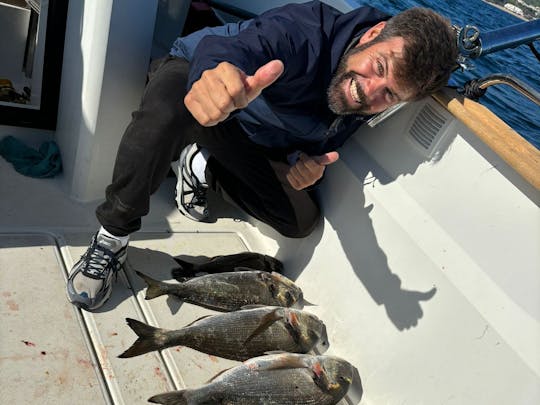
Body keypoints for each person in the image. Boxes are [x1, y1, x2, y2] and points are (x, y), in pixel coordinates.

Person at [66, 1, 458, 311]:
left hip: (245, 135)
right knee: (169, 111)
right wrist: (216, 77)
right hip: (198, 77)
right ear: (372, 35)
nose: (369, 92)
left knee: (301, 219)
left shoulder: (365, 98)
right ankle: (112, 236)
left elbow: (318, 142)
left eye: (389, 94)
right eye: (379, 67)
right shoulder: (303, 32)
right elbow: (233, 48)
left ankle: (200, 164)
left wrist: (306, 167)